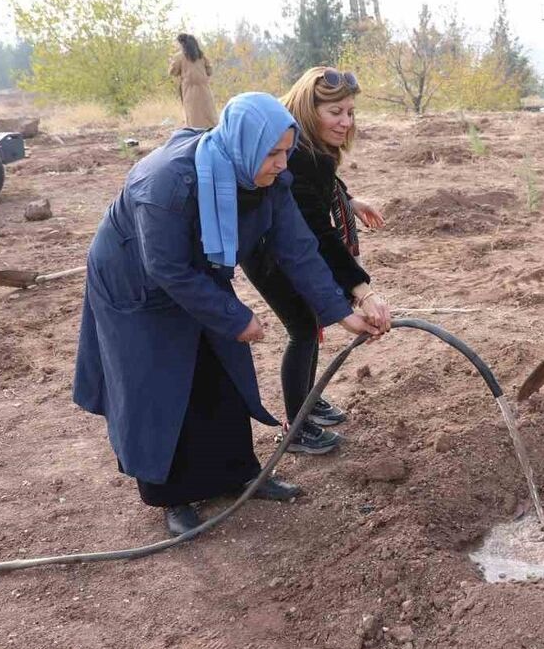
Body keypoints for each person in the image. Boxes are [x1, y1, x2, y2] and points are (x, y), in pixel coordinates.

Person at [73, 93, 380, 536]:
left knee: (221, 371)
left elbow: (298, 249)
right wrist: (235, 317)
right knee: (160, 386)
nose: (280, 163)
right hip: (137, 285)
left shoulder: (267, 180)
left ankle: (237, 476)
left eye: (285, 152)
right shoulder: (164, 184)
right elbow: (167, 268)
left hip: (196, 273)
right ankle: (173, 498)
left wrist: (340, 311)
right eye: (271, 153)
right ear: (243, 145)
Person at [240, 67, 391, 455]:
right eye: (335, 112)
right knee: (303, 328)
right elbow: (318, 236)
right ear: (310, 109)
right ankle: (298, 425)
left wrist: (349, 201)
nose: (345, 122)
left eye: (350, 112)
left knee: (309, 325)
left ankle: (307, 400)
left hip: (287, 247)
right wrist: (362, 290)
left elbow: (322, 188)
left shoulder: (310, 148)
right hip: (270, 254)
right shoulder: (296, 155)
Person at [169, 33, 217, 129]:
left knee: (193, 117)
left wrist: (171, 62)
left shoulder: (179, 56)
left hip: (189, 91)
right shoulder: (201, 56)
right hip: (204, 90)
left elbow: (173, 72)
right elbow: (209, 71)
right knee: (208, 116)